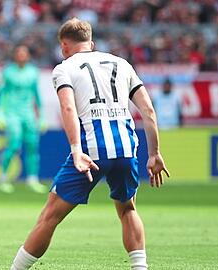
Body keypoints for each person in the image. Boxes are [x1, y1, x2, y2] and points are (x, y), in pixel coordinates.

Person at [10, 18, 170, 270]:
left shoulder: (64, 68)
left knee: (50, 216)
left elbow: (68, 107)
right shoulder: (122, 63)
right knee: (128, 209)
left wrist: (75, 149)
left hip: (90, 152)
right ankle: (140, 268)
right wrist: (155, 153)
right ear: (91, 43)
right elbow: (148, 110)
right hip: (127, 148)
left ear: (64, 46)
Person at [0, 45, 47, 194]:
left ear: (28, 55)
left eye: (24, 53)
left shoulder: (33, 72)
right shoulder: (8, 71)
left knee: (32, 145)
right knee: (14, 144)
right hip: (12, 113)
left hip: (28, 113)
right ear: (15, 55)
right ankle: (3, 177)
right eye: (19, 53)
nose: (21, 55)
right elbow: (0, 93)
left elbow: (36, 94)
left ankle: (32, 178)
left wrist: (41, 116)